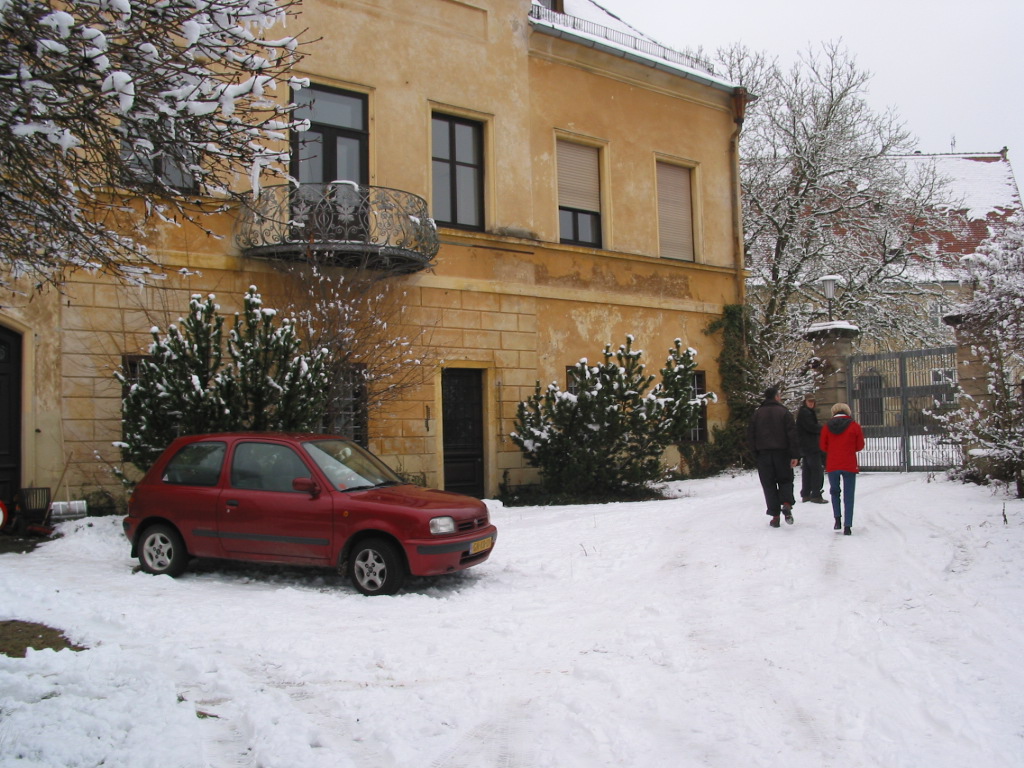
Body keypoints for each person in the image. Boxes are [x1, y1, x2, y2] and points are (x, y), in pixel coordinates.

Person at [748, 387, 801, 528]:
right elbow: (792, 435)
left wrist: (755, 453)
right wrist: (795, 455)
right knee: (785, 480)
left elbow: (751, 436)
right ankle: (786, 503)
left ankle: (775, 516)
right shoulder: (784, 413)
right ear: (776, 397)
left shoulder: (757, 414)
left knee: (768, 484)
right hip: (782, 453)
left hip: (764, 455)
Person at [819, 403, 865, 535]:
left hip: (833, 463)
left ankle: (837, 519)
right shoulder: (854, 426)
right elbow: (860, 445)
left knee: (834, 492)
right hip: (849, 463)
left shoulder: (827, 427)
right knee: (849, 495)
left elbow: (823, 446)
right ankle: (848, 525)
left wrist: (833, 450)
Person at [796, 395, 827, 504]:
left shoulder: (805, 412)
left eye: (813, 402)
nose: (811, 403)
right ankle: (815, 494)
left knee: (808, 470)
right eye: (809, 401)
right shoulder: (806, 413)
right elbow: (811, 427)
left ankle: (806, 493)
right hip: (811, 446)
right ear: (805, 402)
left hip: (806, 446)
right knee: (816, 470)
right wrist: (822, 428)